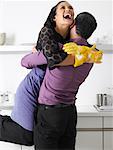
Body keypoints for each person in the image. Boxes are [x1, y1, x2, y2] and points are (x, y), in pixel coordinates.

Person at [0, 1, 75, 146]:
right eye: (63, 7)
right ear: (54, 17)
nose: (68, 10)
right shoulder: (47, 31)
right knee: (26, 136)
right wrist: (71, 58)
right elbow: (52, 59)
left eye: (71, 8)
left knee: (35, 134)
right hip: (33, 87)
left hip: (48, 95)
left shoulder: (71, 40)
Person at [33, 12, 99, 150]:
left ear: (73, 24)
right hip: (69, 113)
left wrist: (37, 52)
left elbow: (25, 61)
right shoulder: (92, 55)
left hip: (50, 113)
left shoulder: (61, 49)